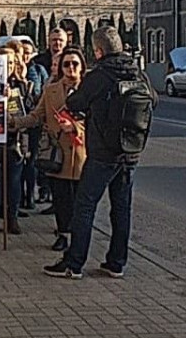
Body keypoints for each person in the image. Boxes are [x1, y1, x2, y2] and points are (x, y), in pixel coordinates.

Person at [44, 26, 157, 279]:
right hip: (130, 152)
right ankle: (116, 263)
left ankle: (74, 264)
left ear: (98, 50)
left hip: (103, 153)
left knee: (84, 206)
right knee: (121, 207)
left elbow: (75, 104)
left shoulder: (100, 75)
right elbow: (154, 100)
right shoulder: (137, 73)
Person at [11, 46, 87, 252]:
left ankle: (79, 239)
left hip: (82, 154)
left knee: (80, 201)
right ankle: (63, 234)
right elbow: (36, 116)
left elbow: (100, 120)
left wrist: (76, 127)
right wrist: (14, 122)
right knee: (61, 199)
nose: (70, 68)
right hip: (57, 153)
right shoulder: (51, 90)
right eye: (66, 64)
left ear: (82, 66)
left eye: (75, 64)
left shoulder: (89, 89)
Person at [0, 46, 31, 235]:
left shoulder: (22, 84)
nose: (8, 66)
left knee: (14, 181)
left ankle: (12, 217)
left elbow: (29, 109)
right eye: (3, 62)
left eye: (11, 62)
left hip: (15, 139)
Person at [20, 39, 49, 210]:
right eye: (23, 51)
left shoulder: (38, 70)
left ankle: (30, 195)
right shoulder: (12, 71)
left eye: (28, 51)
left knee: (31, 161)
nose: (25, 55)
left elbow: (46, 91)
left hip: (34, 123)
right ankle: (18, 197)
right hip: (16, 123)